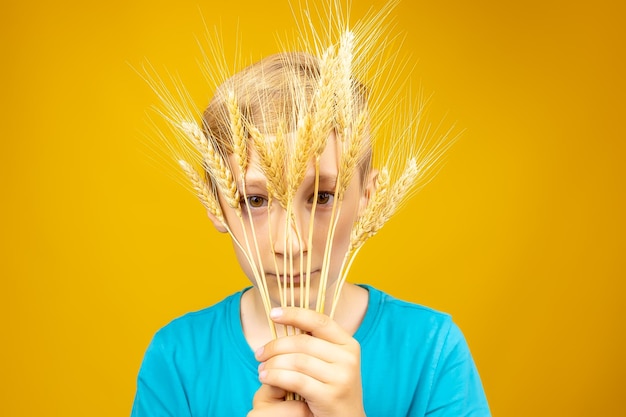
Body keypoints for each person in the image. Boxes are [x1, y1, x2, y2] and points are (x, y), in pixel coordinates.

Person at [131, 48, 491, 417]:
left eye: (322, 196)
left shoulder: (432, 352)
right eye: (255, 200)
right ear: (215, 205)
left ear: (369, 197)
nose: (291, 243)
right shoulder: (175, 360)